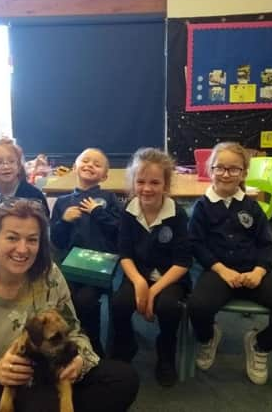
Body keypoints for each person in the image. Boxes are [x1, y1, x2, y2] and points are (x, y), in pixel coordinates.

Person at [0, 199, 139, 412]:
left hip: (48, 371)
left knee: (123, 379)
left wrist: (78, 363)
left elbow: (74, 332)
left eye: (32, 240)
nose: (22, 249)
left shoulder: (49, 276)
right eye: (12, 237)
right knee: (42, 405)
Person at [187, 142, 272, 385]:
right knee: (198, 307)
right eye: (220, 168)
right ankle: (207, 337)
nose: (226, 174)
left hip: (252, 273)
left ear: (244, 173)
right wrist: (221, 269)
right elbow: (196, 245)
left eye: (234, 169)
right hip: (218, 273)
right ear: (210, 170)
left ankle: (259, 344)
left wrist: (258, 271)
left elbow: (266, 245)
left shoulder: (252, 207)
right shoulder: (201, 208)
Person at [110, 148, 192, 387]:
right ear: (133, 183)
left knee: (169, 307)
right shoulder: (129, 211)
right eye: (141, 181)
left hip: (170, 278)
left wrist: (153, 292)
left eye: (155, 182)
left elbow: (183, 262)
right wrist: (139, 283)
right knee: (119, 304)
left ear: (166, 185)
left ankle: (165, 351)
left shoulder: (177, 215)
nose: (147, 188)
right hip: (138, 273)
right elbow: (124, 254)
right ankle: (126, 344)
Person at [50, 148, 122, 357]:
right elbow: (56, 240)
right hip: (70, 265)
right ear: (74, 167)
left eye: (97, 164)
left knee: (85, 301)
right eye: (85, 161)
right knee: (66, 298)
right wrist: (64, 221)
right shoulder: (63, 202)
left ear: (105, 175)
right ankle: (69, 343)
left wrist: (98, 212)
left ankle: (93, 344)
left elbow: (119, 230)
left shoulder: (109, 198)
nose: (90, 165)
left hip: (100, 266)